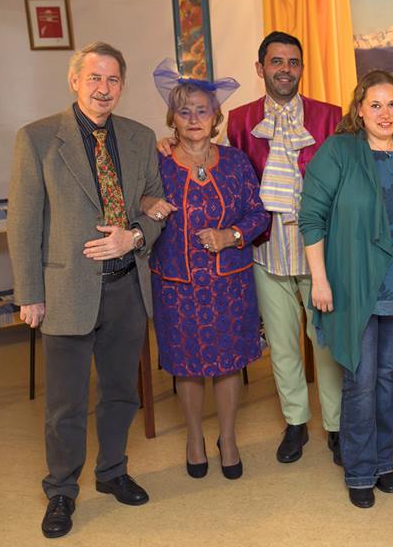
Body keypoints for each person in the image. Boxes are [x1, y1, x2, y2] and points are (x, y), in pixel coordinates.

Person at [160, 31, 344, 465]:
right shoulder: (241, 120)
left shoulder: (330, 116)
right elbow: (219, 166)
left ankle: (336, 426)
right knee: (281, 345)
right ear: (260, 69)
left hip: (319, 251)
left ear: (302, 68)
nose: (285, 69)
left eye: (293, 62)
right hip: (264, 251)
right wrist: (167, 145)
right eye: (276, 62)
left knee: (326, 344)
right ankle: (295, 422)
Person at [8, 42, 164, 539]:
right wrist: (29, 293)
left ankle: (113, 471)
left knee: (121, 393)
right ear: (75, 80)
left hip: (126, 288)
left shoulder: (140, 138)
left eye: (113, 79)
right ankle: (61, 490)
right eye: (94, 78)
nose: (103, 88)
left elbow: (157, 205)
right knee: (65, 403)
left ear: (122, 86)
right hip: (64, 290)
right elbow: (23, 223)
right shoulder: (37, 139)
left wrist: (133, 235)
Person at [299, 70, 393, 509]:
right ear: (359, 109)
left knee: (387, 376)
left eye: (392, 105)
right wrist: (320, 280)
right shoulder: (339, 151)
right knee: (360, 377)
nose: (385, 113)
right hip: (353, 283)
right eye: (375, 105)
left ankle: (384, 461)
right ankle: (360, 469)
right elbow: (311, 218)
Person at [142, 61, 269, 480]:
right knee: (187, 365)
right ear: (172, 118)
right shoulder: (157, 162)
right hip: (176, 285)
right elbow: (133, 202)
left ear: (216, 117)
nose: (194, 119)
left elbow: (258, 214)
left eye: (202, 110)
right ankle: (194, 438)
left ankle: (227, 439)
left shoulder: (235, 162)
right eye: (185, 111)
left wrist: (230, 236)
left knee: (229, 363)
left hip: (229, 284)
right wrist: (146, 203)